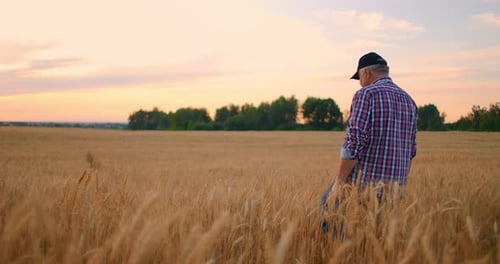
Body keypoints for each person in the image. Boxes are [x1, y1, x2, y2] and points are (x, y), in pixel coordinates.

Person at [322, 52, 418, 230]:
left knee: (328, 210)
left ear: (366, 73)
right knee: (377, 234)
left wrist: (339, 182)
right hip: (396, 188)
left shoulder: (366, 94)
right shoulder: (409, 101)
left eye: (359, 77)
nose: (360, 82)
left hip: (364, 184)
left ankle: (341, 255)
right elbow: (411, 150)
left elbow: (354, 142)